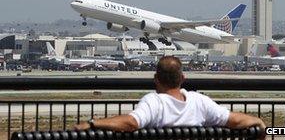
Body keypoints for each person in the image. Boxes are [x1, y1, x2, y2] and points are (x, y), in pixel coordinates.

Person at [75, 56, 266, 139]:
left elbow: (131, 123)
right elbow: (238, 120)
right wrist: (258, 122)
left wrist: (93, 123)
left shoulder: (154, 102)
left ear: (156, 79)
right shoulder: (200, 101)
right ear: (183, 78)